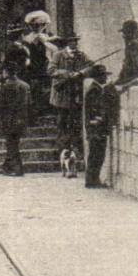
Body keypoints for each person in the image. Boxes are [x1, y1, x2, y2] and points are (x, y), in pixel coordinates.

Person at [49, 34, 91, 177]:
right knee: (62, 126)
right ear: (67, 43)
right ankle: (64, 158)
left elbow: (90, 66)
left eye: (76, 41)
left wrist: (81, 73)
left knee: (75, 128)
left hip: (75, 97)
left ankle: (73, 160)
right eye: (72, 41)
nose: (75, 44)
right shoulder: (58, 55)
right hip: (61, 98)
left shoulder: (81, 55)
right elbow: (51, 70)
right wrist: (67, 73)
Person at [82, 64, 120, 188]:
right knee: (96, 155)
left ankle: (93, 179)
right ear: (97, 77)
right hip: (96, 128)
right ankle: (92, 180)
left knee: (97, 154)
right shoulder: (94, 90)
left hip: (96, 127)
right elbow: (95, 109)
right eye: (102, 76)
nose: (104, 78)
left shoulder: (96, 88)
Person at [0, 67, 31, 176]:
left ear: (6, 73)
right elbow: (29, 104)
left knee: (11, 144)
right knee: (14, 143)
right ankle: (6, 167)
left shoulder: (6, 86)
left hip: (9, 119)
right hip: (22, 119)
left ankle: (18, 169)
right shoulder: (25, 85)